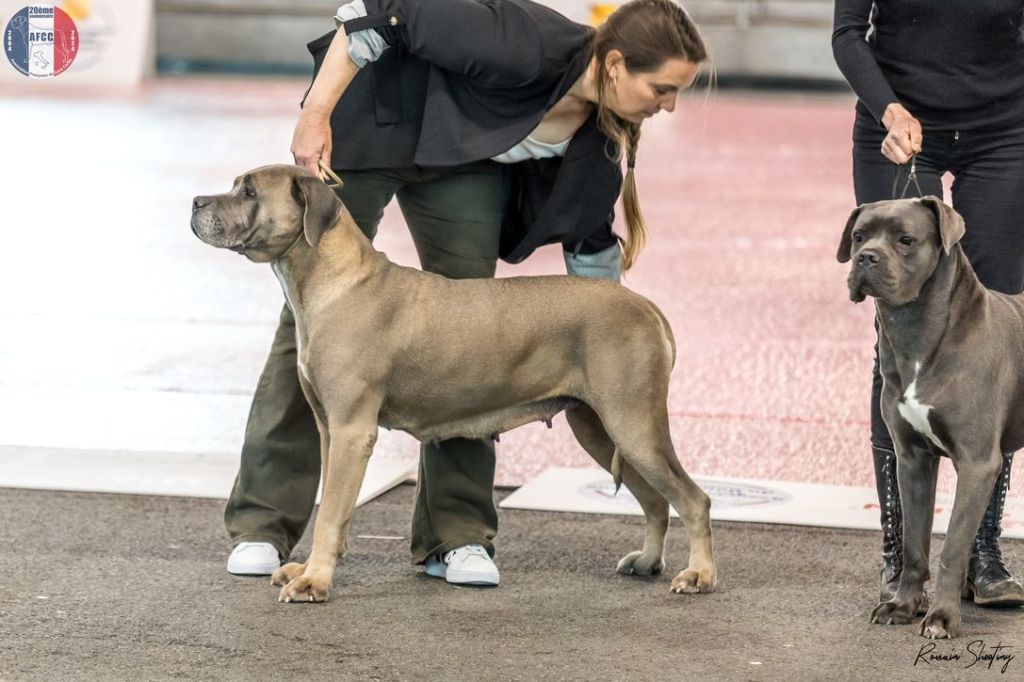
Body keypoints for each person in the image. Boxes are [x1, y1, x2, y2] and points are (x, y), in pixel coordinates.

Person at [223, 0, 710, 586]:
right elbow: (378, 11)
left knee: (472, 338)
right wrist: (316, 112)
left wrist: (605, 348)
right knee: (317, 329)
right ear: (614, 66)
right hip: (379, 122)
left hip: (459, 163)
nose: (670, 105)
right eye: (662, 88)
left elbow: (592, 248)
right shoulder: (521, 43)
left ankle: (455, 535)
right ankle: (265, 523)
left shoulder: (602, 139)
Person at [833, 0, 1024, 607]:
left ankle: (981, 552)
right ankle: (901, 556)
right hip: (896, 120)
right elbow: (847, 33)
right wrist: (887, 108)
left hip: (1005, 128)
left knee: (998, 331)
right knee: (896, 331)